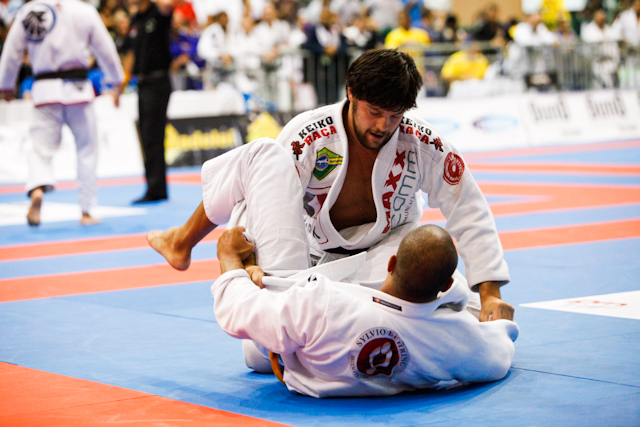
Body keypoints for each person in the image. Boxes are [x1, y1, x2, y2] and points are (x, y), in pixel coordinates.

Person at [148, 49, 515, 323]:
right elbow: (262, 199)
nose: (383, 126)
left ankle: (181, 240)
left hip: (383, 259)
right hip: (309, 259)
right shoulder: (310, 135)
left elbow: (468, 208)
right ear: (350, 93)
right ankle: (182, 240)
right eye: (374, 112)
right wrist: (250, 262)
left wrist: (490, 295)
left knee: (465, 310)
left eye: (395, 116)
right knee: (264, 349)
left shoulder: (421, 143)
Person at [213, 224, 519, 398]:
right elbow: (497, 357)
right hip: (307, 348)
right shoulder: (454, 338)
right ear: (446, 285)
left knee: (255, 347)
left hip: (286, 351)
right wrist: (502, 327)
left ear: (391, 263)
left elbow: (237, 310)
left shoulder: (323, 302)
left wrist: (229, 258)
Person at [0, 0, 124, 226]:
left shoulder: (29, 11)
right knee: (87, 150)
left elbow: (12, 52)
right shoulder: (84, 11)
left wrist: (5, 85)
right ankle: (86, 211)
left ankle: (37, 189)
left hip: (44, 91)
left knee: (40, 149)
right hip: (79, 91)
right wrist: (116, 80)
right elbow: (105, 49)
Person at [123, 0, 175, 204]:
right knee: (146, 135)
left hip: (158, 80)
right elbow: (131, 53)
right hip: (142, 82)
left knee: (154, 135)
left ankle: (156, 188)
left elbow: (169, 4)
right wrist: (121, 84)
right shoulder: (136, 20)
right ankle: (154, 186)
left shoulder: (158, 12)